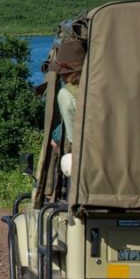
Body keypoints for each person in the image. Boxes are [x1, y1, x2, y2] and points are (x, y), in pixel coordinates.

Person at [50, 39, 86, 177]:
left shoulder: (66, 94)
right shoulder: (96, 86)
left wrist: (56, 138)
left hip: (88, 155)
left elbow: (74, 138)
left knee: (66, 161)